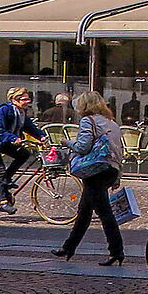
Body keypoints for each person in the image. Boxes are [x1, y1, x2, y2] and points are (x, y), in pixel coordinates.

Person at [54, 90, 125, 266]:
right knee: (84, 211)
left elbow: (83, 147)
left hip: (95, 171)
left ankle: (117, 251)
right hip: (110, 170)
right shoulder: (111, 123)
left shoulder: (88, 121)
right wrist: (118, 176)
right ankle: (69, 247)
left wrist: (67, 143)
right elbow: (118, 151)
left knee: (104, 213)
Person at [0, 87, 46, 216]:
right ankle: (3, 202)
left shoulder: (21, 113)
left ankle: (6, 178)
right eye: (25, 99)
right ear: (14, 100)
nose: (28, 101)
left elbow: (30, 127)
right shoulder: (3, 110)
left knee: (24, 154)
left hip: (1, 143)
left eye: (29, 99)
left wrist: (41, 136)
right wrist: (13, 138)